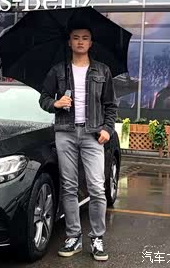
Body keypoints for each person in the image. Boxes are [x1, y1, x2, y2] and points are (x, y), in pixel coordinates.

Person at [39, 24, 117, 262]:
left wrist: (107, 129)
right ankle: (73, 236)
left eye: (85, 38)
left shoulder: (102, 71)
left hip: (93, 135)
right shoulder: (58, 70)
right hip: (65, 133)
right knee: (69, 186)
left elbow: (111, 105)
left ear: (91, 43)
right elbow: (43, 98)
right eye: (76, 38)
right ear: (69, 42)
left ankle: (97, 238)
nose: (80, 41)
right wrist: (55, 103)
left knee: (97, 187)